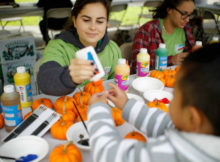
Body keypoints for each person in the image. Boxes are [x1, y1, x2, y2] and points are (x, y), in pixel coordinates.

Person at [88, 43, 220, 162]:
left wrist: (98, 109)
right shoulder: (203, 137)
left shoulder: (168, 155)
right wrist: (126, 104)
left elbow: (108, 155)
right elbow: (163, 125)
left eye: (175, 95)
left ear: (192, 118)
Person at [37, 0, 122, 96]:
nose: (93, 27)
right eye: (86, 20)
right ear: (75, 21)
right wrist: (68, 77)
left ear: (106, 24)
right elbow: (44, 80)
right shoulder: (58, 47)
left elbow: (117, 83)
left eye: (100, 21)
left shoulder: (112, 49)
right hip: (69, 107)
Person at [131, 0, 195, 73]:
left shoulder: (186, 29)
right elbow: (137, 65)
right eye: (184, 14)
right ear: (169, 9)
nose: (187, 19)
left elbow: (189, 56)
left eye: (190, 15)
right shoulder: (147, 31)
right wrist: (171, 60)